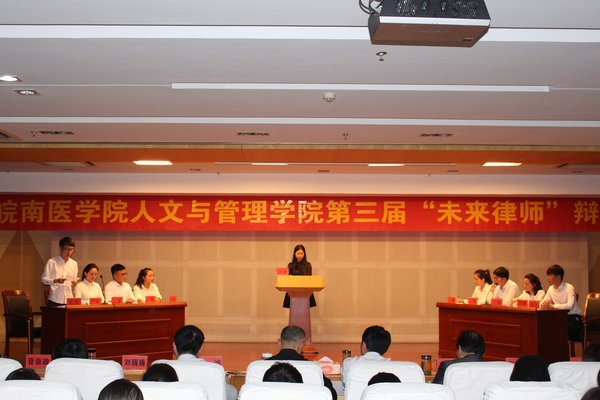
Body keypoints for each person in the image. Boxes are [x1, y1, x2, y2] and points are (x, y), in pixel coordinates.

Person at [267, 325, 337, 400]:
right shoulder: (312, 368)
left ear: (279, 342)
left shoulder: (261, 365)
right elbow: (331, 395)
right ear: (301, 345)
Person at [173, 325, 238, 400]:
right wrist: (224, 383)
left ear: (174, 346)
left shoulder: (162, 368)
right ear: (201, 348)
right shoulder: (215, 370)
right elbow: (233, 395)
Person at [540, 264, 583, 342]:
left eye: (550, 275)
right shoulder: (551, 288)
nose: (548, 278)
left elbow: (569, 306)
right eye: (547, 275)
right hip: (559, 317)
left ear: (558, 277)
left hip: (572, 317)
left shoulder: (569, 287)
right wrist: (543, 304)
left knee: (558, 329)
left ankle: (561, 348)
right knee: (543, 326)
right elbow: (544, 301)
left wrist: (553, 306)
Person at [41, 236, 79, 306]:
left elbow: (73, 281)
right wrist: (56, 280)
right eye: (66, 249)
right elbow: (43, 280)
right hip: (55, 298)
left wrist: (74, 283)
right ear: (61, 248)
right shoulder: (52, 262)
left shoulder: (74, 264)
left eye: (71, 249)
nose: (69, 252)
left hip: (68, 298)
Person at [283, 244, 316, 308]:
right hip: (292, 291)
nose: (300, 255)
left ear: (304, 254)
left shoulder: (308, 265)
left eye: (302, 253)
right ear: (294, 254)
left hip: (305, 290)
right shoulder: (290, 265)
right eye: (298, 253)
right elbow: (288, 278)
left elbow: (309, 278)